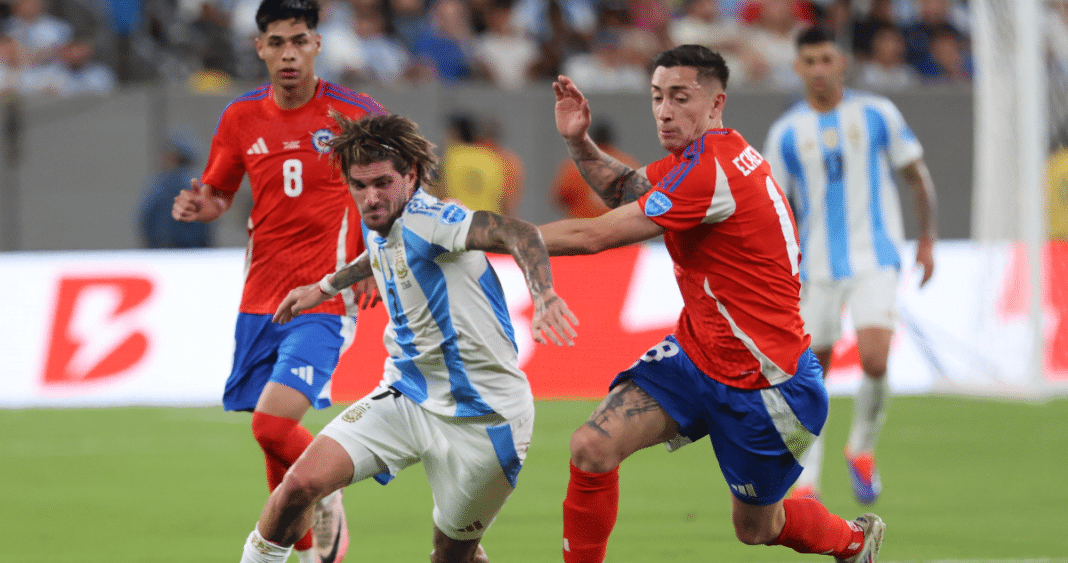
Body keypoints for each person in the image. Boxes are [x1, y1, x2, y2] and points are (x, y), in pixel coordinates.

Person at [541, 44, 884, 563]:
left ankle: (853, 542)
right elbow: (629, 189)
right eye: (657, 97)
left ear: (716, 102)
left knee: (757, 528)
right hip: (697, 356)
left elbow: (594, 236)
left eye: (681, 97)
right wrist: (579, 141)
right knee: (592, 447)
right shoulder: (699, 160)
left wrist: (480, 233)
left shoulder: (714, 172)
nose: (664, 110)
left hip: (766, 386)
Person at [238, 111, 580, 563]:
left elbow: (518, 232)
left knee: (452, 556)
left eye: (381, 182)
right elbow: (378, 254)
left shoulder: (436, 219)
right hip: (406, 395)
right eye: (358, 185)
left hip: (486, 419)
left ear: (411, 175)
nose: (370, 196)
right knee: (299, 486)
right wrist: (324, 287)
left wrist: (545, 294)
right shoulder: (379, 219)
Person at [170, 0, 387, 561]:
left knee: (271, 425)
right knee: (270, 437)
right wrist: (202, 203)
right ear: (260, 47)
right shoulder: (241, 117)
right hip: (259, 297)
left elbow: (391, 190)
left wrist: (369, 259)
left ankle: (329, 484)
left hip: (324, 295)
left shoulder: (353, 113)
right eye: (276, 42)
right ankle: (308, 550)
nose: (288, 53)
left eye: (299, 40)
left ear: (317, 44)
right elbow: (219, 192)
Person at [763, 27, 937, 505]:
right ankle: (806, 483)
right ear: (798, 68)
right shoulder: (785, 134)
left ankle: (860, 448)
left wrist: (927, 239)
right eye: (810, 61)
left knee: (875, 358)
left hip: (875, 257)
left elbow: (915, 176)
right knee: (809, 374)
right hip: (816, 268)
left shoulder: (877, 112)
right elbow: (773, 211)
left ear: (841, 63)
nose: (819, 69)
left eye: (826, 59)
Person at [139, 130, 215, 248]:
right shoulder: (200, 187)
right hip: (194, 255)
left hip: (163, 253)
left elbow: (146, 219)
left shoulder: (160, 186)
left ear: (174, 157)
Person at [550, 119, 639, 218]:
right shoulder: (628, 164)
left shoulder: (573, 166)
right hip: (619, 229)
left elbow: (558, 199)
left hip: (584, 229)